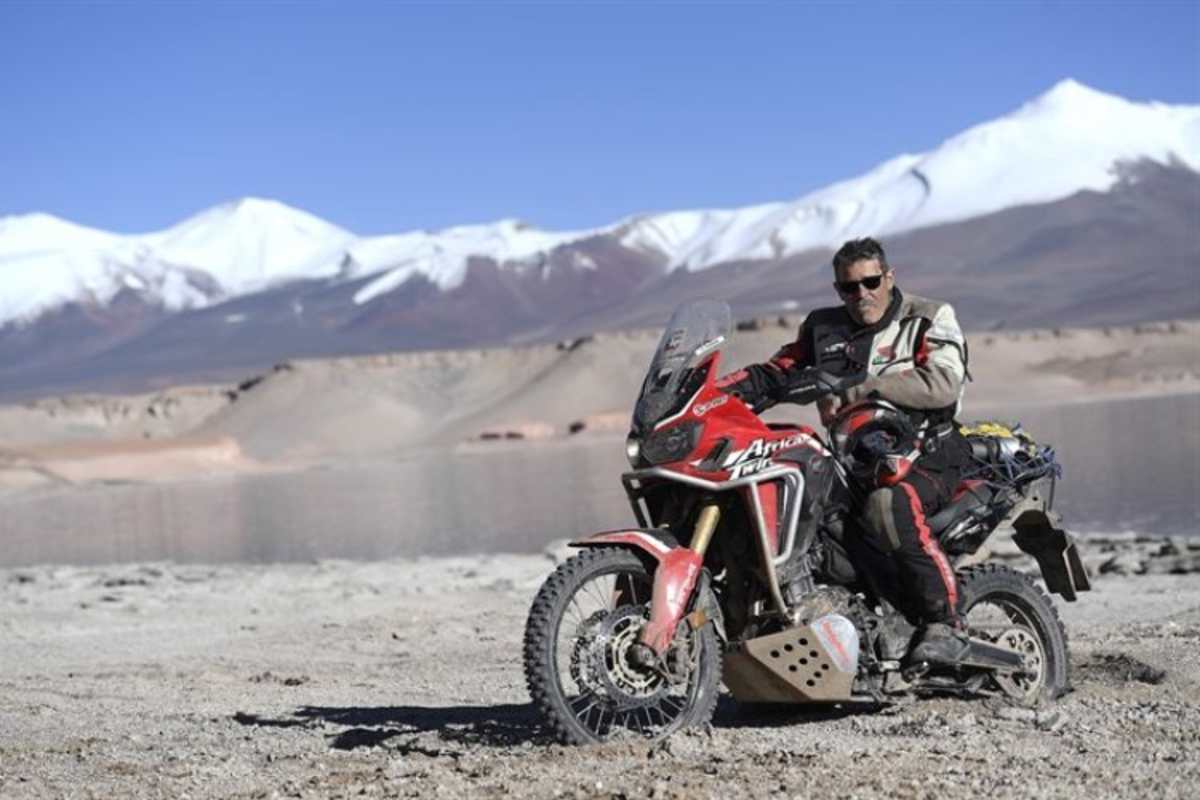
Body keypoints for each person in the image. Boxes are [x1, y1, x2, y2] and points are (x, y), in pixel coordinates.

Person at [717, 237, 972, 666]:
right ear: (838, 289)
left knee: (888, 505)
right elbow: (778, 374)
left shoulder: (926, 317)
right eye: (848, 287)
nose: (861, 294)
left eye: (871, 282)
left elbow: (945, 382)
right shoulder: (822, 329)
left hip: (930, 452)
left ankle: (945, 623)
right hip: (854, 459)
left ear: (888, 278)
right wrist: (716, 393)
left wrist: (867, 384)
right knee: (794, 513)